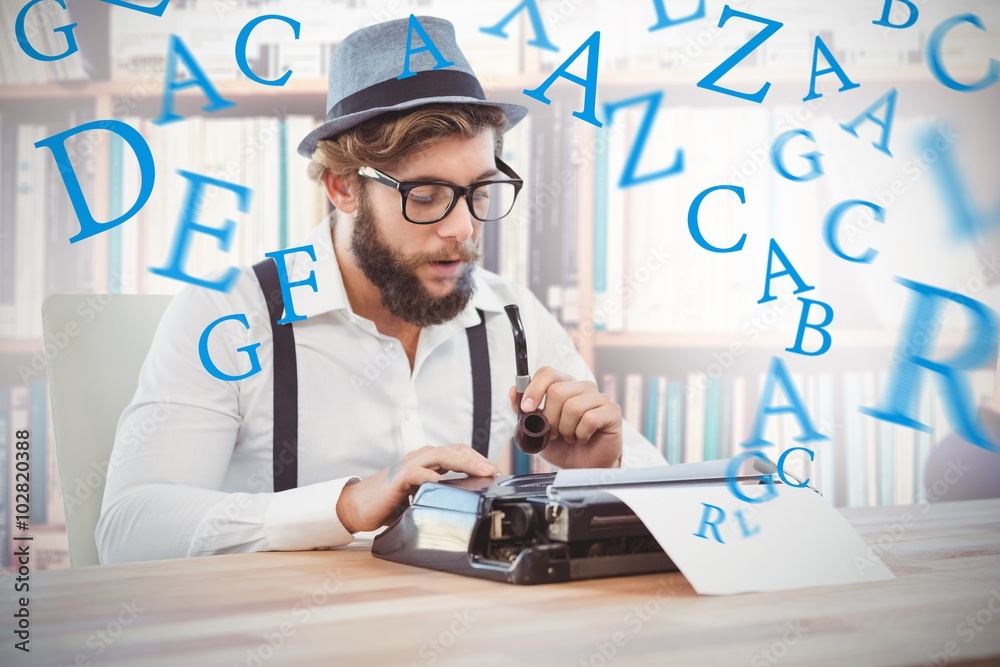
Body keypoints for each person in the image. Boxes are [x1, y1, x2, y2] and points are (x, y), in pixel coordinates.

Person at [96, 16, 665, 564]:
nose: (462, 229)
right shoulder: (227, 313)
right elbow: (129, 529)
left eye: (480, 191)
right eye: (425, 196)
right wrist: (344, 506)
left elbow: (669, 506)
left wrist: (596, 477)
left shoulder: (511, 314)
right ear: (343, 188)